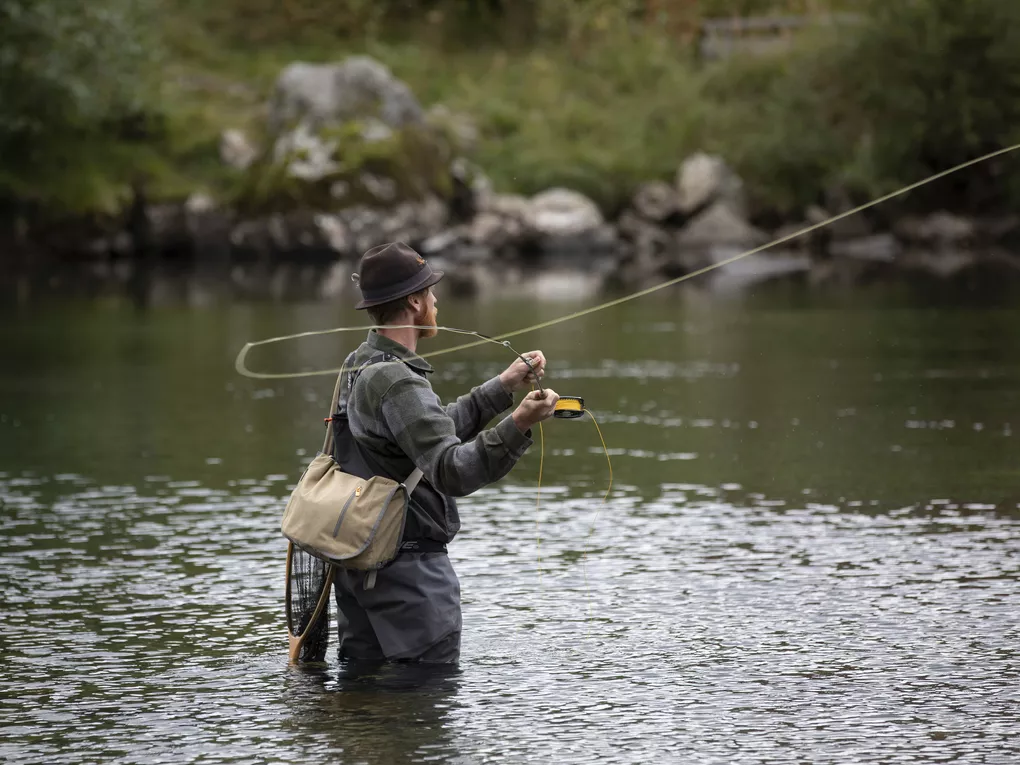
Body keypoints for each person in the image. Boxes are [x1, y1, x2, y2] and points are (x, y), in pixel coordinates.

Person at [331, 241, 559, 664]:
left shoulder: (360, 363)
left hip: (360, 566)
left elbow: (422, 437)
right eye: (430, 292)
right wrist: (520, 424)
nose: (436, 300)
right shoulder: (398, 381)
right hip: (408, 579)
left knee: (361, 702)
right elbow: (452, 470)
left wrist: (503, 386)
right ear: (416, 303)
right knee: (425, 715)